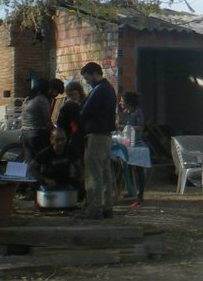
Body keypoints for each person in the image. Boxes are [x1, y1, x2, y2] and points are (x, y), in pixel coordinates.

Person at [78, 61, 117, 219]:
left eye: (87, 78)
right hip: (105, 136)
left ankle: (94, 208)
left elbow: (85, 111)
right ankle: (107, 206)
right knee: (105, 173)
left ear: (95, 73)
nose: (87, 82)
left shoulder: (99, 90)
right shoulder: (108, 89)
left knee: (94, 174)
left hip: (96, 135)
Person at [117, 90, 147, 208]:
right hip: (127, 143)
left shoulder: (137, 112)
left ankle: (140, 195)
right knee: (125, 167)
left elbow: (140, 127)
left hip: (137, 142)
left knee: (138, 170)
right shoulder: (125, 112)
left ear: (128, 103)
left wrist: (126, 127)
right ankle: (130, 191)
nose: (120, 103)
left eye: (122, 101)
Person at [31, 127, 82, 192]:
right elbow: (32, 168)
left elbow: (78, 165)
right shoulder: (45, 153)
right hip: (50, 184)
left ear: (66, 139)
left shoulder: (70, 150)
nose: (60, 143)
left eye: (63, 139)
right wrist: (44, 179)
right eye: (57, 140)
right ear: (51, 140)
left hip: (65, 182)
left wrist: (81, 177)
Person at [21, 78, 53, 168]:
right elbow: (47, 119)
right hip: (36, 133)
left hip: (24, 133)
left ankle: (30, 176)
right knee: (43, 159)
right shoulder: (42, 99)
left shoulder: (28, 98)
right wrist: (54, 130)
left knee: (30, 162)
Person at [57, 80, 86, 163]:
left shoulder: (80, 104)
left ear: (80, 93)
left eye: (75, 94)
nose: (74, 97)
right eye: (71, 95)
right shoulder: (69, 106)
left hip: (76, 138)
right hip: (73, 138)